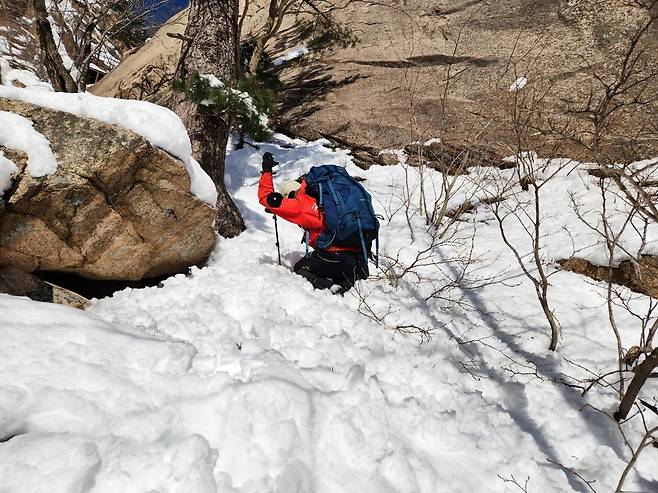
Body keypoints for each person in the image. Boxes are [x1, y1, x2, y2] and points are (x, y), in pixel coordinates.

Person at [258, 152, 369, 293]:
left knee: (300, 269)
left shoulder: (300, 205)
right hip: (360, 259)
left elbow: (265, 198)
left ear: (289, 195)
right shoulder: (321, 201)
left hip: (337, 258)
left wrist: (266, 172)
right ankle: (344, 285)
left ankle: (333, 289)